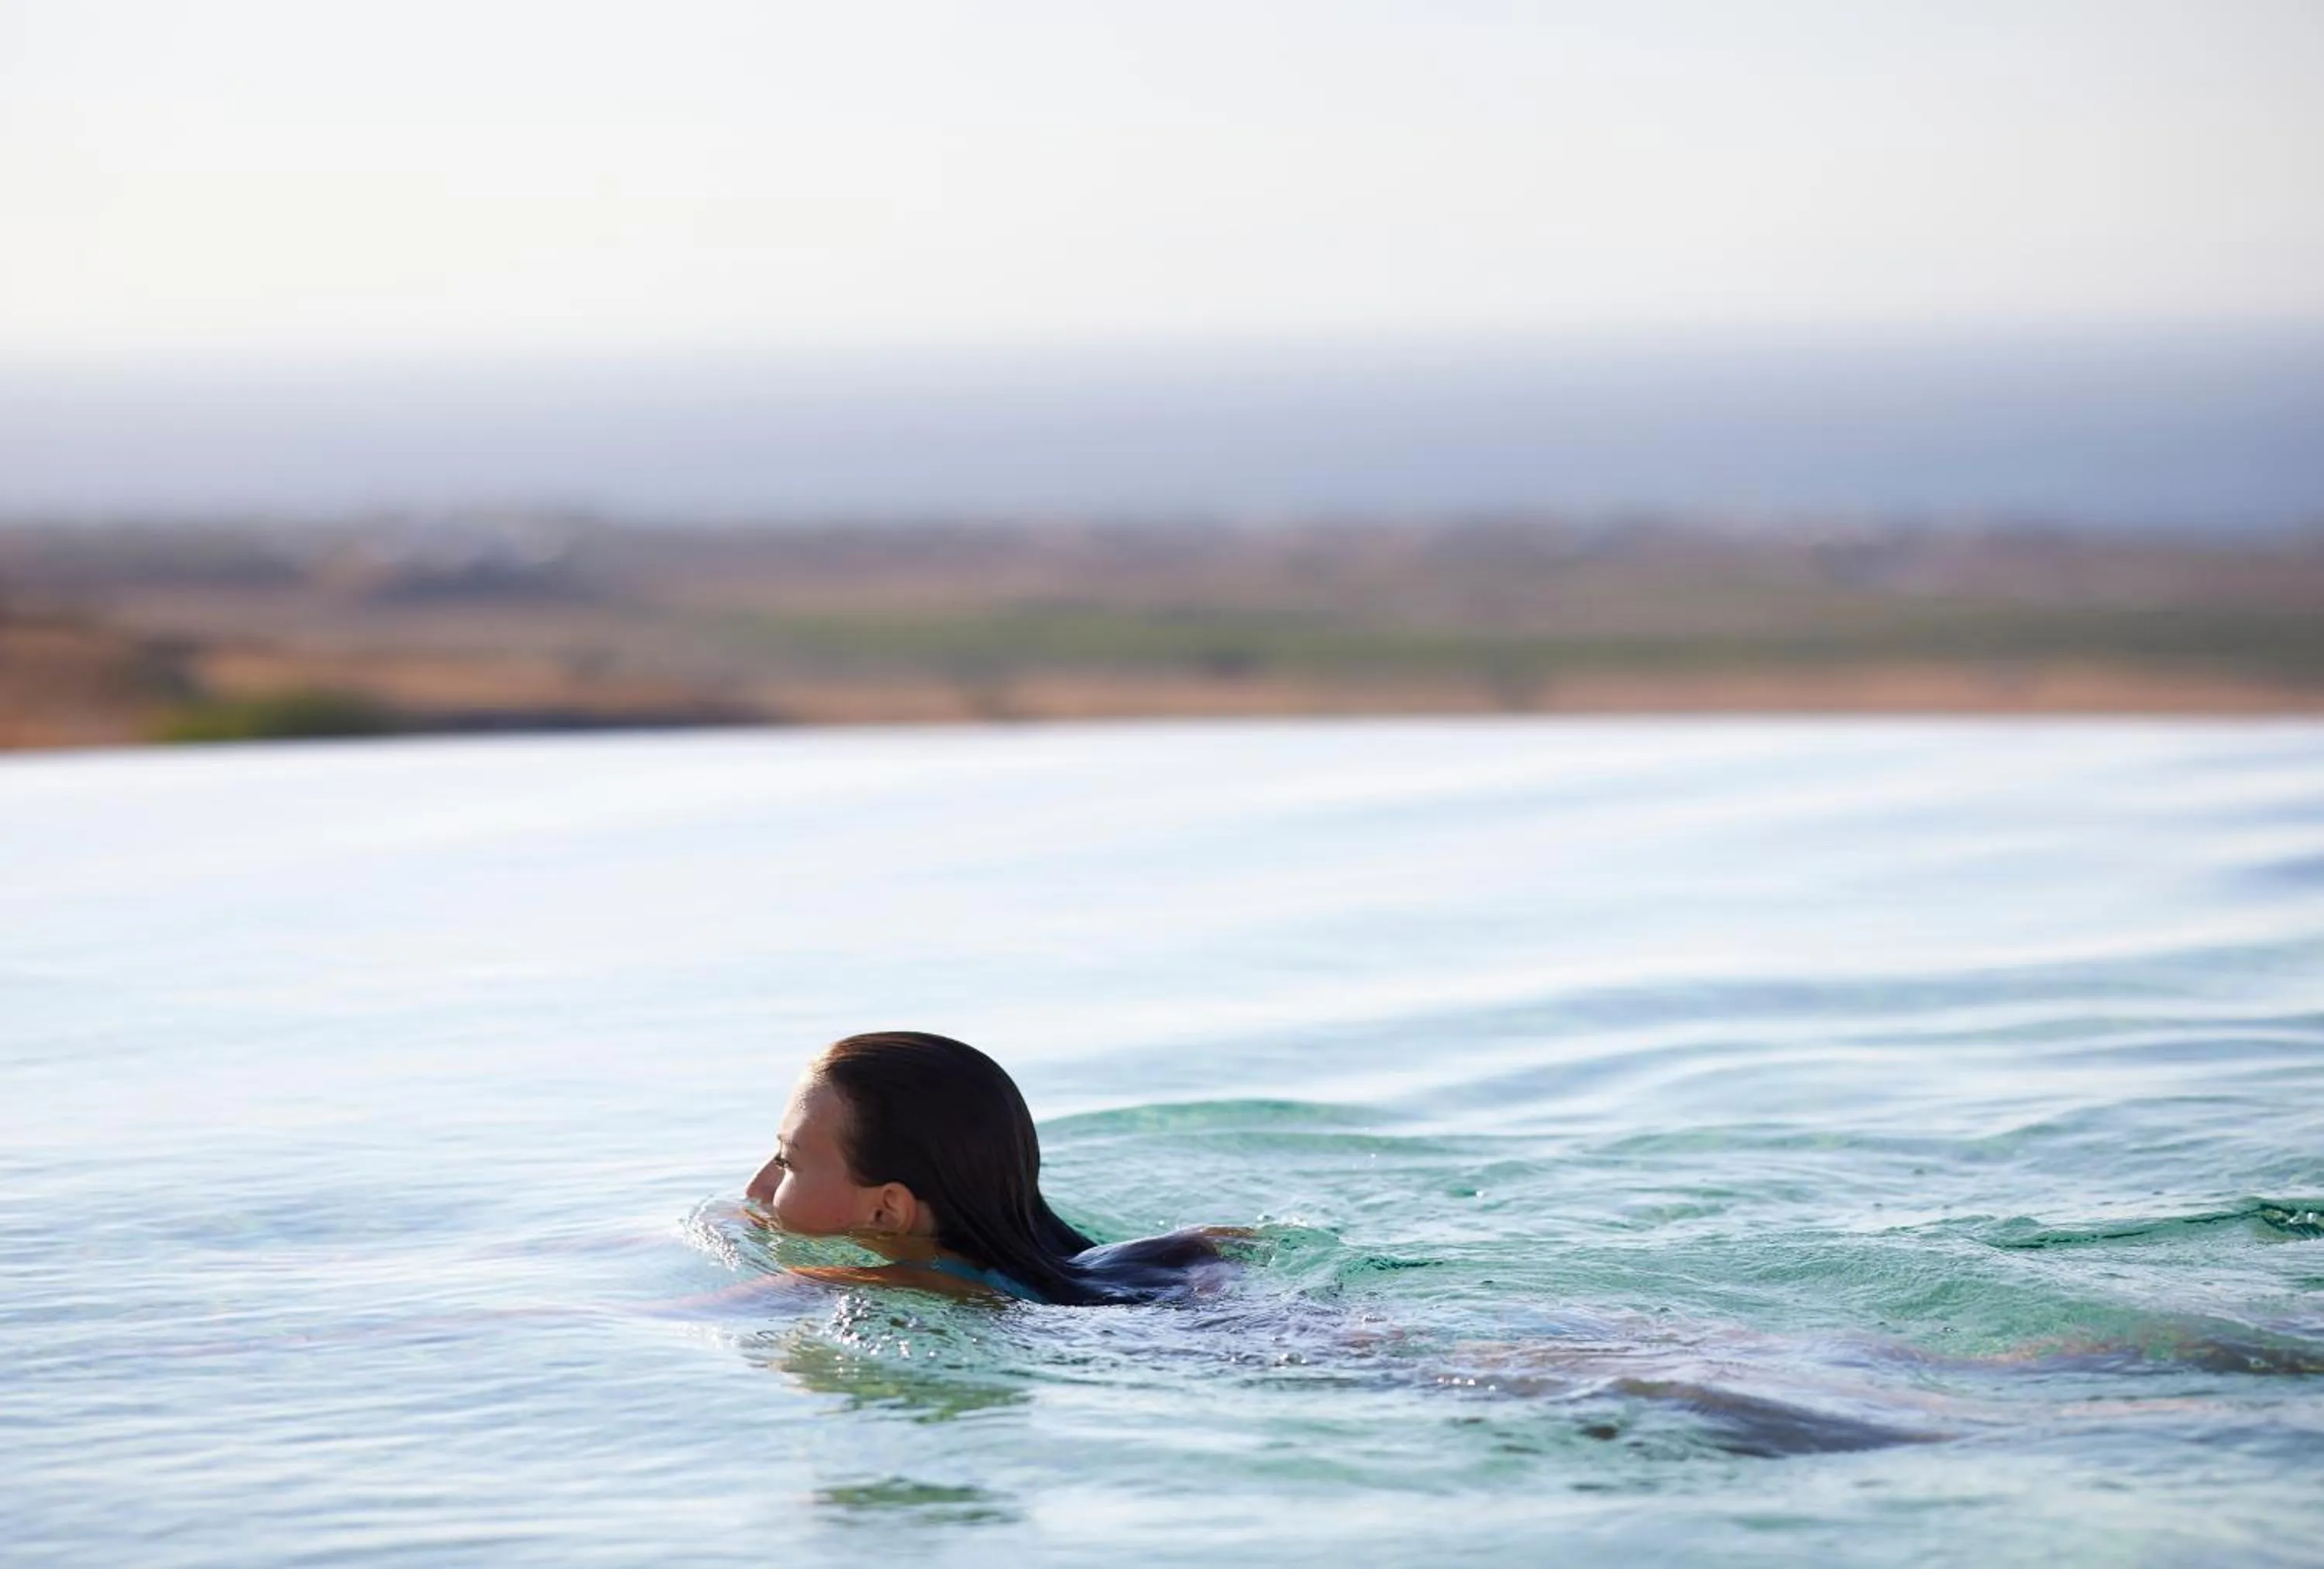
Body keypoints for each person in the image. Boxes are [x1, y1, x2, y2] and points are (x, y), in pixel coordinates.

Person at [744, 1031, 1232, 1306]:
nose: (758, 1184)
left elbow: (694, 1327)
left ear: (886, 1210)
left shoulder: (851, 1283)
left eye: (788, 1162)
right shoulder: (1159, 1256)